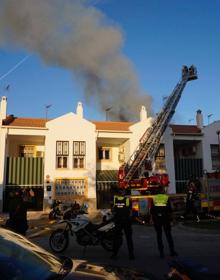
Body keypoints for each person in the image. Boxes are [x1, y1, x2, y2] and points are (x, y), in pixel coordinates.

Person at [150, 186, 178, 258]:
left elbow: (152, 210)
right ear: (162, 191)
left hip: (157, 219)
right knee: (168, 235)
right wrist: (173, 219)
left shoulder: (154, 198)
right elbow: (170, 210)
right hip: (165, 218)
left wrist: (151, 219)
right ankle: (172, 251)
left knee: (159, 236)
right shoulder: (166, 198)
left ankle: (161, 253)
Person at [111, 188, 135, 260]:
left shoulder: (115, 200)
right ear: (124, 193)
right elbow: (130, 211)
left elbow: (113, 210)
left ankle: (114, 254)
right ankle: (131, 255)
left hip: (118, 221)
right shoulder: (127, 200)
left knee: (116, 238)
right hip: (126, 221)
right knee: (129, 238)